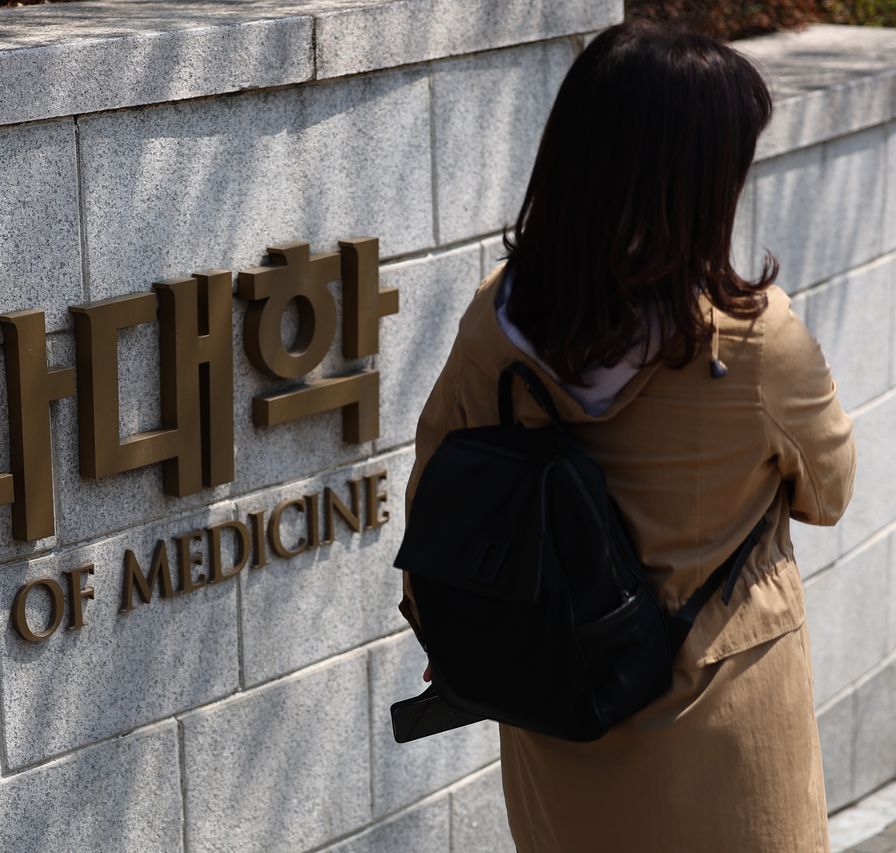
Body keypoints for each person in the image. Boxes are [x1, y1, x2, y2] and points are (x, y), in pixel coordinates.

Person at [401, 21, 856, 853]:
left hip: (562, 728)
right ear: (695, 187)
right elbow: (829, 490)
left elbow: (436, 491)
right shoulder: (753, 343)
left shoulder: (498, 319)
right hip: (725, 745)